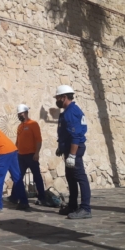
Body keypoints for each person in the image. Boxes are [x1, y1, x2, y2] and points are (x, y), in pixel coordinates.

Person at [54, 85, 92, 219]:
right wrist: (61, 147)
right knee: (70, 178)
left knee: (80, 177)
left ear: (64, 97)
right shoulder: (67, 111)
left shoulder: (71, 112)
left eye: (58, 98)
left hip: (74, 148)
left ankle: (85, 208)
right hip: (69, 148)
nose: (56, 100)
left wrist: (72, 154)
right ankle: (72, 205)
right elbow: (65, 133)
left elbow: (75, 135)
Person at [10, 104, 46, 205]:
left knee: (37, 176)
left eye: (20, 114)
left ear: (25, 113)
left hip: (31, 155)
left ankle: (42, 197)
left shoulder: (33, 124)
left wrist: (37, 153)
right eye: (18, 114)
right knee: (18, 176)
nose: (19, 116)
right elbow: (18, 141)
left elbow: (38, 140)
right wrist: (15, 151)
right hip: (21, 155)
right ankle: (14, 196)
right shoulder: (20, 126)